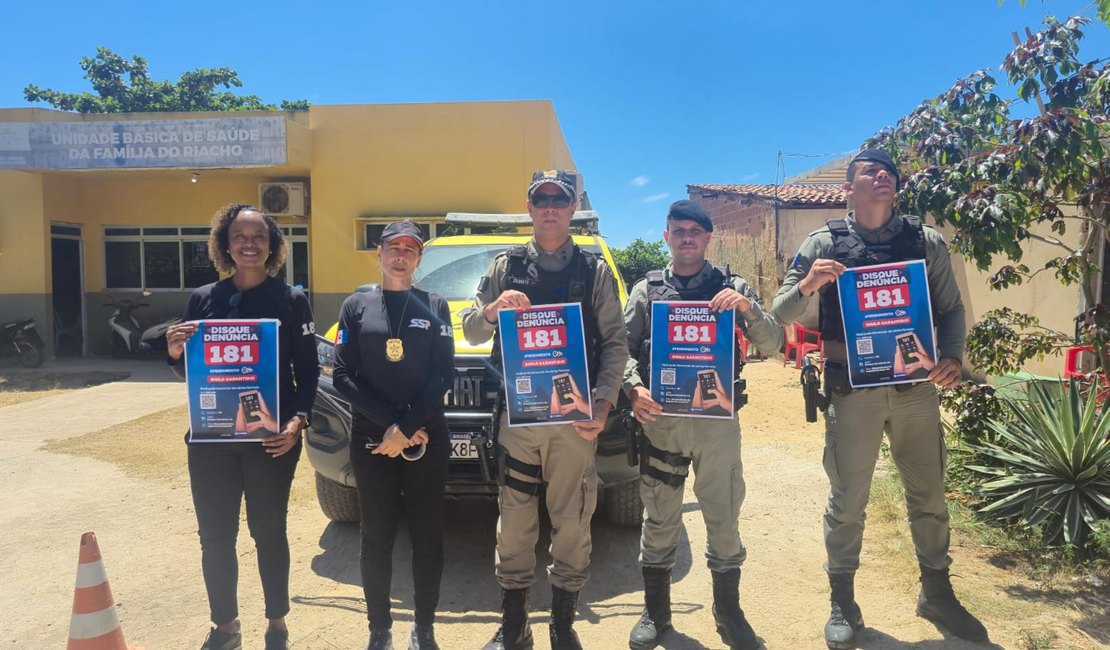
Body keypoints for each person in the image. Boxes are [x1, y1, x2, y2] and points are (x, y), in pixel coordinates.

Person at [772, 149, 988, 648]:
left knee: (929, 496)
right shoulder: (823, 242)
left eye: (888, 171)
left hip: (915, 390)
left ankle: (937, 592)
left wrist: (952, 356)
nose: (883, 176)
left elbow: (951, 310)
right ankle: (842, 601)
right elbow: (782, 311)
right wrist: (809, 282)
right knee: (848, 500)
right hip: (853, 392)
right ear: (848, 187)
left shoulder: (923, 241)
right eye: (871, 171)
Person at [462, 169, 628, 650]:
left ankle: (563, 623)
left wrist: (603, 402)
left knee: (573, 522)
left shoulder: (593, 272)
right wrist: (493, 311)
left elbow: (615, 345)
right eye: (542, 198)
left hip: (575, 423)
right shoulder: (503, 268)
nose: (551, 206)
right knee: (514, 522)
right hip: (519, 420)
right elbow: (472, 330)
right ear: (529, 207)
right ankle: (515, 625)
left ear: (573, 207)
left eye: (560, 198)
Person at [623, 200, 783, 650]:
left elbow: (773, 344)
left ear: (708, 238)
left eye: (696, 230)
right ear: (666, 236)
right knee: (659, 518)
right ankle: (656, 613)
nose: (687, 237)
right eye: (679, 230)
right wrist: (634, 389)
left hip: (717, 425)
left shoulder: (732, 286)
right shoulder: (647, 290)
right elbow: (620, 349)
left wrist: (748, 308)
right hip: (663, 423)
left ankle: (728, 612)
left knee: (723, 516)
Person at [165, 203, 320, 650]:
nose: (249, 243)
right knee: (215, 537)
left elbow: (308, 374)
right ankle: (226, 627)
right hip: (211, 441)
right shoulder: (203, 299)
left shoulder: (291, 300)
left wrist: (296, 422)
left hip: (272, 440)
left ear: (272, 245)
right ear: (225, 244)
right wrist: (175, 354)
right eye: (239, 236)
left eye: (258, 236)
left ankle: (277, 623)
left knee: (269, 531)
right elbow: (191, 374)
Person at [331, 220, 455, 650]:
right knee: (376, 536)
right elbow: (343, 375)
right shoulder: (355, 305)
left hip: (425, 438)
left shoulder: (435, 305)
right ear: (379, 254)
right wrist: (390, 426)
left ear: (419, 258)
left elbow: (443, 375)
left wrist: (405, 429)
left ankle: (423, 626)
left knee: (427, 534)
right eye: (393, 247)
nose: (401, 255)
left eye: (410, 249)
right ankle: (379, 628)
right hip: (373, 440)